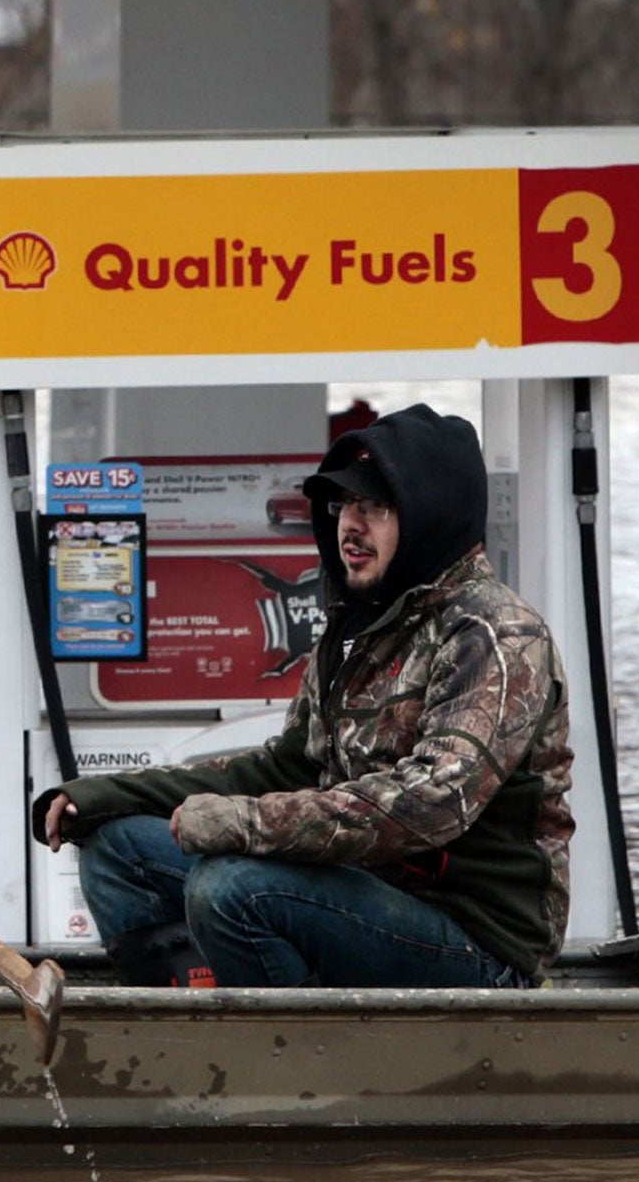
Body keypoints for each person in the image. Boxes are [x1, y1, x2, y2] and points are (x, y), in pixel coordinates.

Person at [33, 403, 574, 989]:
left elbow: (427, 804)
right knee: (117, 850)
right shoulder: (360, 623)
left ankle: (280, 1057)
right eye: (343, 505)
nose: (350, 525)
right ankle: (183, 1027)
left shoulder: (494, 634)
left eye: (376, 507)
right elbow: (287, 764)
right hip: (361, 892)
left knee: (231, 887)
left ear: (430, 515)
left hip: (474, 940)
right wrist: (106, 794)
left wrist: (243, 824)